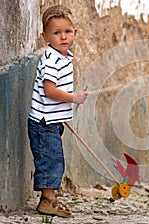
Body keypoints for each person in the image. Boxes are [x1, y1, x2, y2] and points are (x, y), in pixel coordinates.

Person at [27, 5, 88, 218]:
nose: (63, 37)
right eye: (56, 33)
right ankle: (47, 201)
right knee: (50, 159)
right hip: (43, 121)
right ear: (45, 36)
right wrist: (73, 98)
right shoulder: (52, 59)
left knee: (52, 158)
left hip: (52, 120)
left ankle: (50, 198)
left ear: (75, 32)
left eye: (67, 32)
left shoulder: (63, 57)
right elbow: (49, 90)